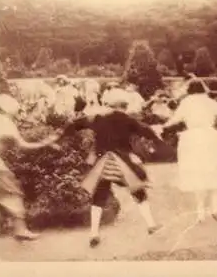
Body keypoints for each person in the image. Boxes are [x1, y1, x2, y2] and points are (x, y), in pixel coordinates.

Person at [53, 96, 163, 247]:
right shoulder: (128, 120)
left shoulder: (98, 119)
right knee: (138, 191)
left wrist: (61, 137)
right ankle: (151, 225)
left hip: (103, 162)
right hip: (122, 162)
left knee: (99, 196)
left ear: (111, 106)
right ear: (124, 107)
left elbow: (76, 123)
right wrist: (158, 142)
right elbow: (147, 131)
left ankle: (93, 233)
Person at [161, 79, 217, 222]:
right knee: (215, 171)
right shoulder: (208, 101)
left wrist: (163, 126)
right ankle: (214, 208)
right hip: (210, 136)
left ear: (190, 89)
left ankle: (200, 212)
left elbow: (175, 119)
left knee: (197, 173)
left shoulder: (187, 102)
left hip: (192, 138)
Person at [0, 93, 59, 240]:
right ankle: (20, 230)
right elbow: (23, 146)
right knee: (13, 193)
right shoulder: (5, 122)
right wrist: (46, 143)